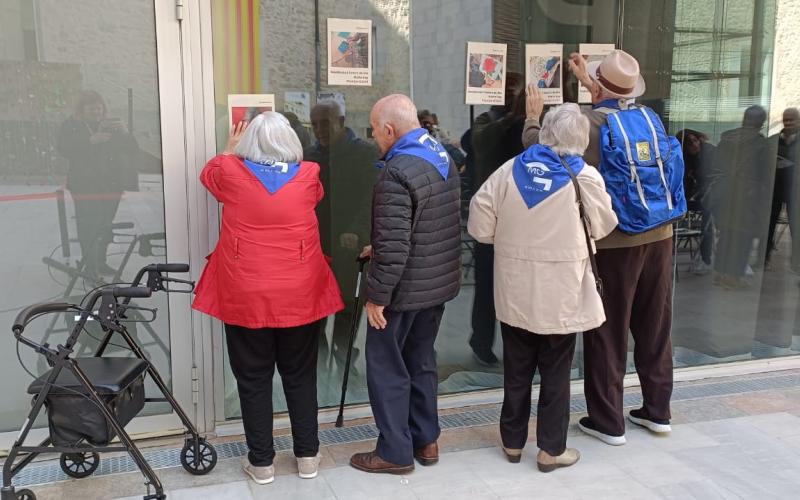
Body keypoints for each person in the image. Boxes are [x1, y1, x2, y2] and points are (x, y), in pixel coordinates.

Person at [524, 50, 680, 445]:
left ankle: (608, 421)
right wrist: (588, 79)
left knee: (608, 330)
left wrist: (531, 116)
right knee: (655, 325)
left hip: (614, 244)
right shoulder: (649, 119)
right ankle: (657, 411)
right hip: (660, 236)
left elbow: (542, 151)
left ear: (599, 88)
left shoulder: (587, 125)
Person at [192, 112, 344, 485]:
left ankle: (262, 464)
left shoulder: (230, 175)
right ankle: (307, 456)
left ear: (247, 145)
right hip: (300, 296)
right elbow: (314, 197)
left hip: (246, 297)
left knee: (254, 379)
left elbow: (208, 175)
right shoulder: (309, 176)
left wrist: (228, 151)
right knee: (299, 375)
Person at [469, 103, 618, 472]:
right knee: (556, 371)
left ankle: (512, 442)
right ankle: (551, 449)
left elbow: (478, 223)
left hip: (515, 288)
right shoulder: (585, 178)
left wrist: (503, 239)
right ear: (581, 139)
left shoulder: (508, 171)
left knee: (516, 367)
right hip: (561, 293)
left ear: (546, 133)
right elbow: (602, 225)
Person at [349, 94, 461, 474]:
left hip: (403, 289)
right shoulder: (442, 157)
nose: (373, 138)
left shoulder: (397, 171)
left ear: (389, 130)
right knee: (421, 361)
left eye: (374, 130)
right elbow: (424, 224)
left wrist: (377, 296)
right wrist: (379, 245)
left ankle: (395, 451)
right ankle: (426, 440)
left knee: (386, 367)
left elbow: (397, 245)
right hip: (436, 284)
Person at [305, 100, 379, 363]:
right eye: (314, 124)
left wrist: (356, 231)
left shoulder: (364, 154)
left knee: (349, 307)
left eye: (325, 123)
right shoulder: (309, 157)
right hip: (317, 248)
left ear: (341, 122)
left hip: (351, 247)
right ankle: (321, 364)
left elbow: (371, 198)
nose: (319, 129)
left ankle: (344, 358)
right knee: (315, 312)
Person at [468, 72, 527, 366]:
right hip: (490, 217)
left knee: (516, 286)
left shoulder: (525, 125)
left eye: (514, 93)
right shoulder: (485, 121)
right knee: (487, 284)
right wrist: (507, 119)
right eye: (505, 92)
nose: (509, 98)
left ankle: (515, 345)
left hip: (519, 217)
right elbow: (480, 143)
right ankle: (481, 340)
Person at [57, 90, 139, 278]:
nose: (97, 112)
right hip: (85, 186)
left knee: (105, 225)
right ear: (82, 109)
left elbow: (133, 150)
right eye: (92, 109)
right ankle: (90, 266)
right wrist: (89, 141)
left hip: (111, 186)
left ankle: (100, 262)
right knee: (89, 226)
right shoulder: (72, 125)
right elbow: (63, 148)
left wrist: (126, 132)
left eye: (99, 108)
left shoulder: (111, 126)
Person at [709, 106, 773, 289]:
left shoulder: (726, 138)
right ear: (761, 122)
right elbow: (766, 174)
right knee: (742, 237)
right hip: (748, 198)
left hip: (726, 194)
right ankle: (733, 277)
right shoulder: (760, 144)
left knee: (726, 235)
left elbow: (716, 164)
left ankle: (720, 273)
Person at [676, 129, 716, 274]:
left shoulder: (710, 152)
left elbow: (713, 177)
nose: (694, 145)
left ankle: (705, 259)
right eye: (689, 143)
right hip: (693, 195)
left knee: (707, 225)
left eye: (695, 140)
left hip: (710, 195)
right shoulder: (685, 157)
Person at [765, 108, 800, 271]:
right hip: (775, 190)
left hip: (796, 192)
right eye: (786, 119)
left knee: (796, 228)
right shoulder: (772, 141)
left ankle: (796, 263)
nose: (788, 123)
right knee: (768, 226)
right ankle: (764, 259)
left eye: (792, 119)